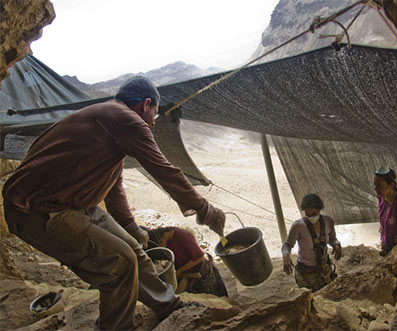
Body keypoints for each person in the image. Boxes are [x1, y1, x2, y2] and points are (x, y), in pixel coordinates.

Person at [2, 76, 225, 330]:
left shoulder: (109, 119)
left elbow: (113, 185)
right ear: (146, 105)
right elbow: (164, 170)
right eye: (154, 114)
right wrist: (205, 209)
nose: (153, 122)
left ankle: (167, 305)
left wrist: (130, 226)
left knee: (134, 250)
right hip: (38, 210)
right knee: (120, 264)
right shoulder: (126, 119)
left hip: (71, 204)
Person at [282, 194, 342, 292]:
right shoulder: (298, 226)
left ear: (319, 210)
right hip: (306, 272)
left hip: (324, 269)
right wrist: (285, 256)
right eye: (308, 215)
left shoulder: (328, 222)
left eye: (314, 214)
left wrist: (336, 245)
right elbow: (287, 245)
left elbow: (332, 239)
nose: (311, 218)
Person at [146, 226, 228, 297]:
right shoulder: (167, 241)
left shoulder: (183, 235)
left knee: (214, 300)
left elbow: (199, 257)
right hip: (188, 277)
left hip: (202, 273)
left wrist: (180, 271)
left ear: (161, 240)